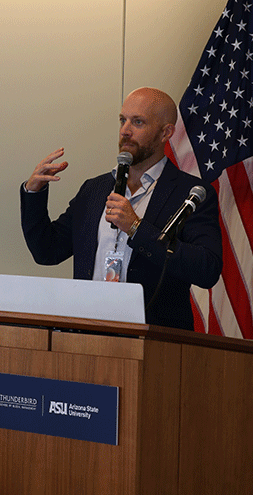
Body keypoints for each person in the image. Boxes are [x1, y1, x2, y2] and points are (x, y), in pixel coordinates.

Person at [20, 87, 222, 330]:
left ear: (165, 132)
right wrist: (34, 193)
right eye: (122, 120)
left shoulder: (190, 193)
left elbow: (206, 269)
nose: (125, 131)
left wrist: (136, 228)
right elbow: (47, 251)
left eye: (138, 122)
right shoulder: (94, 189)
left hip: (154, 341)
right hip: (85, 335)